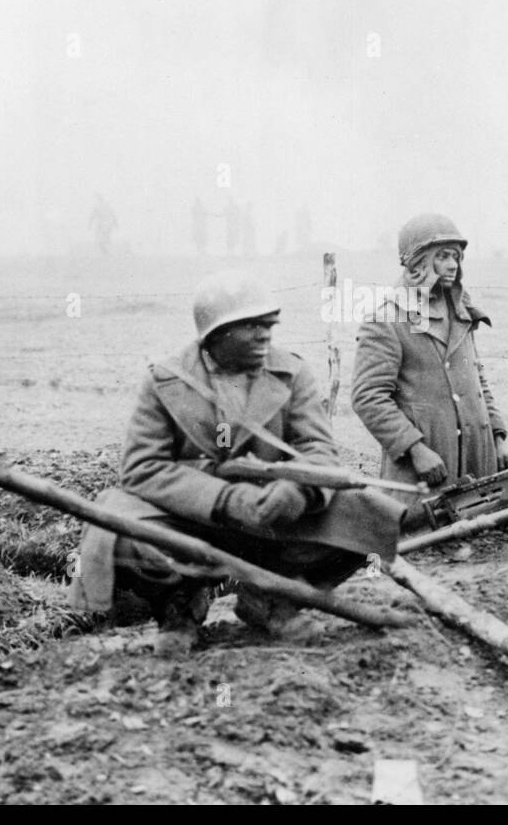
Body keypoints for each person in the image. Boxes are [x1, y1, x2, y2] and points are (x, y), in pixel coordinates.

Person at [69, 270, 401, 633]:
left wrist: (298, 491)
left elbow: (318, 449)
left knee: (367, 514)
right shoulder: (165, 381)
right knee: (117, 527)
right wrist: (226, 499)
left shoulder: (292, 373)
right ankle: (179, 608)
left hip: (272, 516)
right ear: (215, 333)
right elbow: (141, 468)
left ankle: (272, 601)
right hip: (189, 517)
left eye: (268, 325)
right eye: (251, 326)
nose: (265, 335)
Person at [351, 213, 508, 488]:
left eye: (455, 256)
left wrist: (497, 440)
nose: (452, 265)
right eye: (442, 256)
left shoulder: (462, 313)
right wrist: (415, 450)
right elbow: (368, 397)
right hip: (423, 473)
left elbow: (477, 381)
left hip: (479, 468)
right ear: (417, 262)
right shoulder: (387, 320)